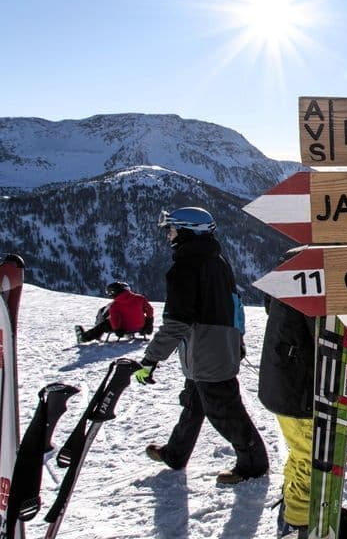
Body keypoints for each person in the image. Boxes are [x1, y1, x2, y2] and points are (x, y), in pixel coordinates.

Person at [134, 206, 268, 485]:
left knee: (224, 410)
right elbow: (236, 306)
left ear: (186, 232)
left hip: (208, 351)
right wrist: (237, 340)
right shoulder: (216, 260)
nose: (168, 235)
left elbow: (177, 322)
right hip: (214, 347)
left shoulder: (186, 267)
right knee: (194, 404)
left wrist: (151, 359)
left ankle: (253, 463)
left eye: (171, 229)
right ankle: (175, 453)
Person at [258, 247, 316, 538]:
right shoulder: (314, 274)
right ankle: (298, 523)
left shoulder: (293, 272)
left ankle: (291, 512)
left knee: (300, 452)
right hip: (299, 390)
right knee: (310, 454)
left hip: (284, 383)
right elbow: (326, 334)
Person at [76, 281, 154, 343]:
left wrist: (117, 330)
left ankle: (84, 338)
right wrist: (149, 323)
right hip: (140, 327)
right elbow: (150, 310)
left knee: (103, 325)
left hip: (124, 329)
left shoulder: (114, 305)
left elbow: (114, 319)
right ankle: (132, 333)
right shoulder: (140, 298)